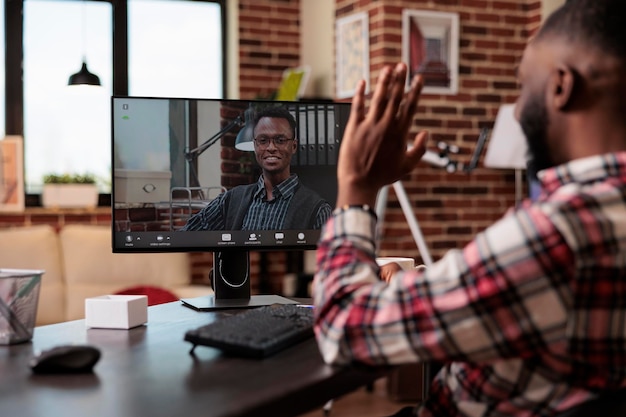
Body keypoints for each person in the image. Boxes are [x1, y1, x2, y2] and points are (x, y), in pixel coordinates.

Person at [312, 1, 626, 416]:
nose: (517, 109)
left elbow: (343, 328)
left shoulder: (562, 231)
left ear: (560, 86)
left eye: (522, 85)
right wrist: (430, 284)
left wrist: (357, 185)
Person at [181, 105, 332, 231]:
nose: (271, 147)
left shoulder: (317, 210)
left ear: (293, 146)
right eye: (263, 140)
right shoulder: (230, 201)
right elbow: (185, 236)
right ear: (254, 146)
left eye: (280, 140)